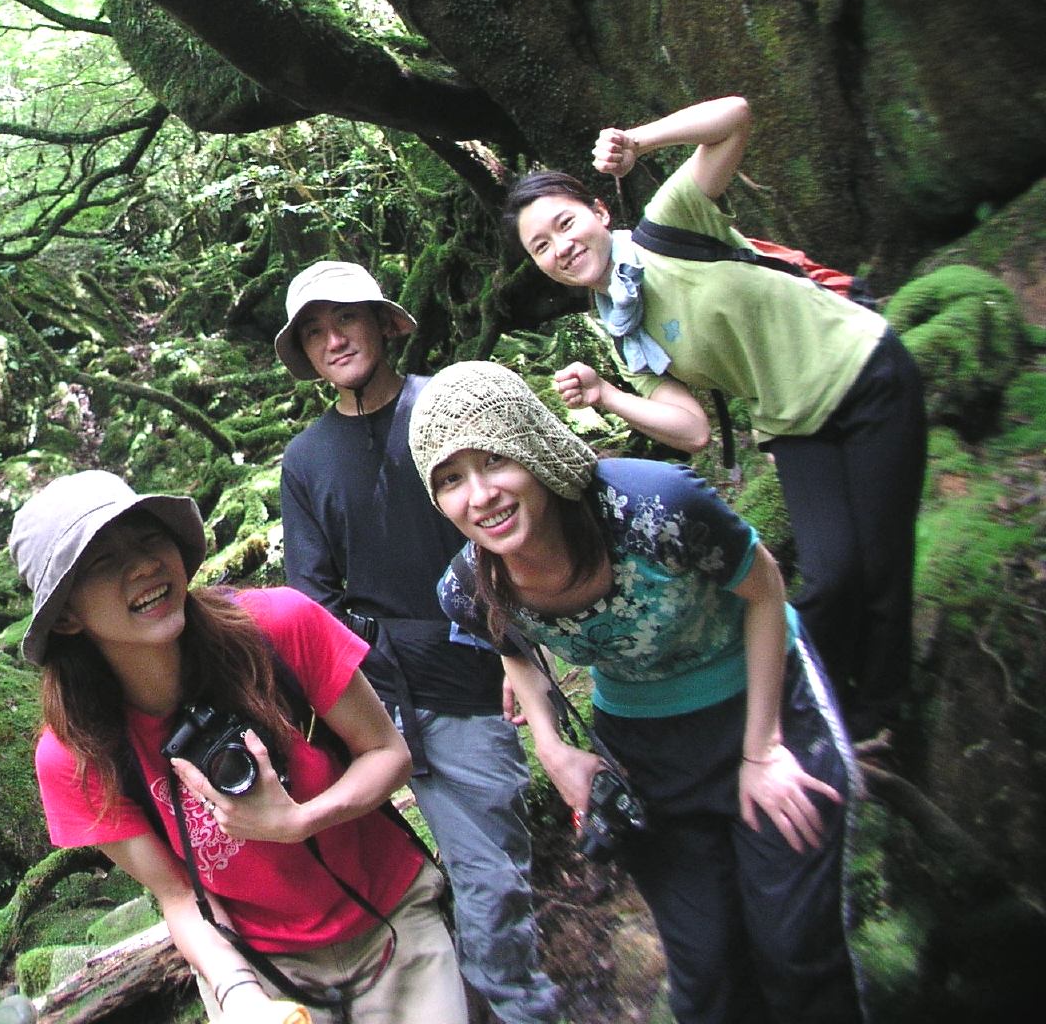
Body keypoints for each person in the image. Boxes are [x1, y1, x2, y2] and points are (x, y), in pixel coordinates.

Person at [414, 361, 861, 1024]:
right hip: (645, 751)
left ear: (533, 449)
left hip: (763, 706)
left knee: (795, 951)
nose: (479, 496)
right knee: (705, 971)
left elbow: (766, 590)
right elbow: (509, 644)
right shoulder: (467, 587)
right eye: (451, 479)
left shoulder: (653, 507)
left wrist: (763, 749)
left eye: (494, 461)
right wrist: (554, 749)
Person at [504, 94, 924, 741]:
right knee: (834, 575)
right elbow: (692, 429)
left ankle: (882, 717)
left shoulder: (671, 220)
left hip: (864, 371)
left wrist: (637, 141)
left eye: (564, 224)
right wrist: (606, 395)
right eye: (540, 245)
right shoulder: (624, 330)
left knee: (882, 565)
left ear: (598, 211)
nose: (559, 246)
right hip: (796, 425)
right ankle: (824, 719)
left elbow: (735, 116)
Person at [8, 469, 466, 1024]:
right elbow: (178, 897)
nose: (146, 564)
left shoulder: (278, 627)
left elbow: (388, 755)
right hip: (259, 966)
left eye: (150, 538)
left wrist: (303, 820)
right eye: (103, 561)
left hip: (391, 917)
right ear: (69, 617)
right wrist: (237, 994)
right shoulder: (76, 754)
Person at [275, 261, 563, 1024]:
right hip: (367, 695)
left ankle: (517, 1007)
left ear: (382, 323)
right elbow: (311, 596)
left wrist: (518, 655)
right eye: (314, 330)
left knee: (492, 874)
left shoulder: (444, 407)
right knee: (381, 878)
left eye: (347, 320)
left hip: (472, 678)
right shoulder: (305, 461)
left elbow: (511, 537)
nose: (334, 339)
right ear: (303, 353)